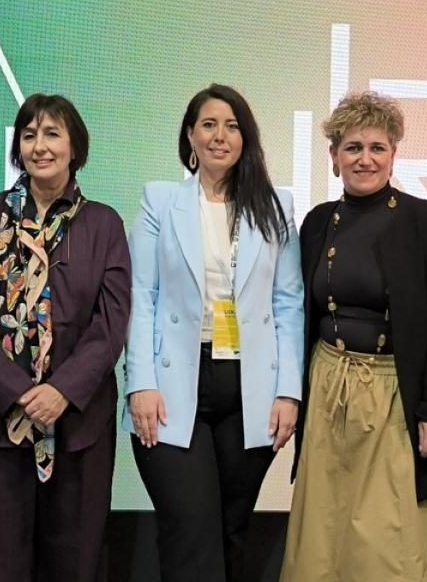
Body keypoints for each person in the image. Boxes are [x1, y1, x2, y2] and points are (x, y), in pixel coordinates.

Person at [280, 90, 427, 582]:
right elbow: (300, 314)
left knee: (388, 540)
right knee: (325, 529)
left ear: (394, 153)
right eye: (353, 147)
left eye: (377, 148)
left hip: (395, 398)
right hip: (328, 389)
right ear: (334, 155)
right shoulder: (318, 222)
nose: (365, 159)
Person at [0, 93, 130, 582]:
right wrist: (19, 393)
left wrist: (61, 392)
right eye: (29, 135)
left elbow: (111, 322)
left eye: (52, 134)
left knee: (75, 562)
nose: (39, 146)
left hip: (78, 427)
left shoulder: (103, 224)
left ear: (75, 148)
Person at [125, 83, 303, 582]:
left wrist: (289, 391)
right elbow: (143, 296)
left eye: (231, 125)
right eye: (208, 124)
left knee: (230, 530)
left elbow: (288, 303)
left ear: (246, 137)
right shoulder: (160, 201)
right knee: (189, 528)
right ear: (190, 135)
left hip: (251, 389)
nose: (220, 136)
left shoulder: (276, 206)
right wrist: (140, 382)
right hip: (174, 384)